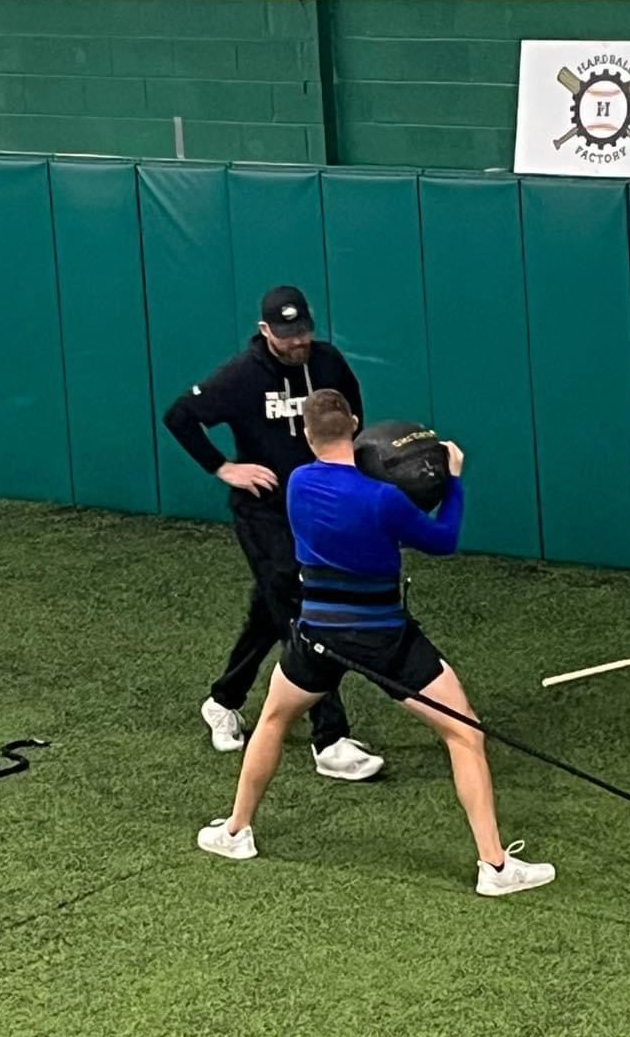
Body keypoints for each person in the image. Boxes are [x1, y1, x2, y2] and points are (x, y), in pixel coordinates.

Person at [196, 388, 556, 897]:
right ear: (356, 424)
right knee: (465, 734)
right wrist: (451, 481)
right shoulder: (385, 499)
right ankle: (494, 868)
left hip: (317, 636)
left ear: (304, 433)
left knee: (272, 721)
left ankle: (236, 831)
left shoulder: (298, 482)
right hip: (384, 639)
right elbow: (443, 540)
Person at [163, 286, 383, 782]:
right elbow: (180, 416)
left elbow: (352, 419)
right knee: (304, 610)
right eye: (286, 336)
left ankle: (223, 701)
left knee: (271, 611)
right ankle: (330, 739)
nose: (298, 342)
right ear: (266, 332)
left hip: (317, 509)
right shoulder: (242, 376)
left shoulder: (328, 363)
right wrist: (224, 468)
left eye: (303, 331)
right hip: (264, 514)